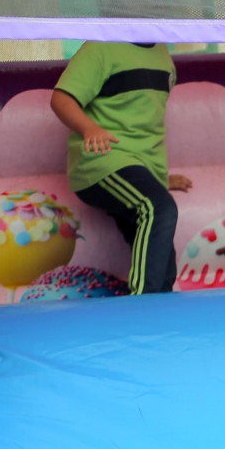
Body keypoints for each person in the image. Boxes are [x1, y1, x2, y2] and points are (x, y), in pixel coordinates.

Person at [50, 41, 192, 295]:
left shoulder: (162, 53)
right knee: (158, 208)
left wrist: (158, 180)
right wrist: (89, 128)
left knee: (163, 261)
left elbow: (144, 120)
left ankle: (161, 308)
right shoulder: (100, 48)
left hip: (138, 166)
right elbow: (61, 99)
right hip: (104, 160)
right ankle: (141, 304)